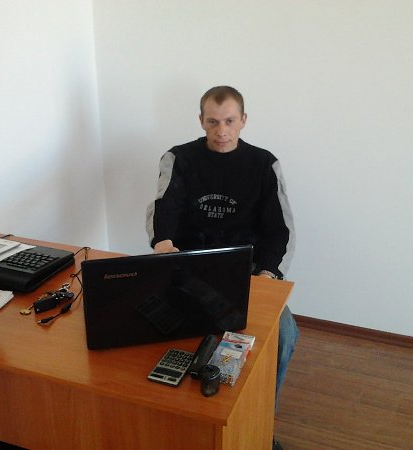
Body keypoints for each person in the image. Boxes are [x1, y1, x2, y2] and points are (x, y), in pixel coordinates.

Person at [146, 86, 298, 450]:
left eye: (229, 121)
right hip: (188, 267)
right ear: (201, 121)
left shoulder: (264, 164)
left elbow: (280, 230)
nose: (222, 131)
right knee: (150, 326)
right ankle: (180, 425)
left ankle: (260, 425)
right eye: (213, 122)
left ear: (243, 120)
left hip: (246, 273)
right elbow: (163, 209)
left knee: (285, 335)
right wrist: (163, 244)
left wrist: (268, 275)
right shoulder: (178, 158)